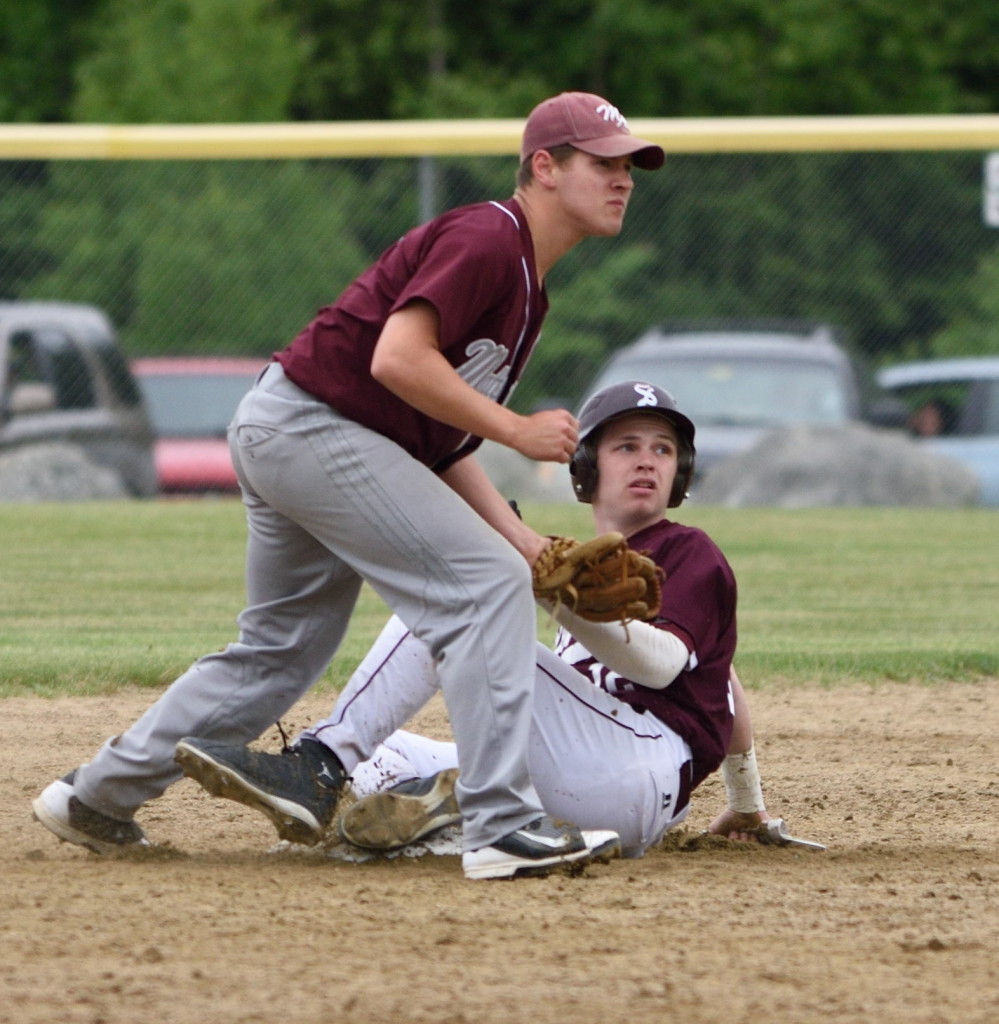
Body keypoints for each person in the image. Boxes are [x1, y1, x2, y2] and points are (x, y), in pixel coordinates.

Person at [32, 92, 666, 880]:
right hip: (314, 429)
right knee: (484, 588)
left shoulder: (528, 285)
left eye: (628, 165)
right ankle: (501, 825)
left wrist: (527, 539)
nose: (622, 179)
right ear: (544, 166)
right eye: (602, 161)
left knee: (279, 651)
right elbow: (397, 360)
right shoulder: (489, 237)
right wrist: (518, 432)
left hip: (299, 428)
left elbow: (435, 441)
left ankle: (95, 798)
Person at [174, 380, 781, 864]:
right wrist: (747, 805)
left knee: (455, 601)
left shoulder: (688, 551)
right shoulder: (578, 566)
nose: (648, 461)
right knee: (385, 759)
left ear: (683, 472)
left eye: (663, 449)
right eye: (627, 446)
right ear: (587, 468)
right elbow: (722, 681)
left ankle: (321, 762)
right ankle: (434, 823)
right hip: (581, 775)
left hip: (636, 764)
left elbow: (665, 665)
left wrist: (552, 591)